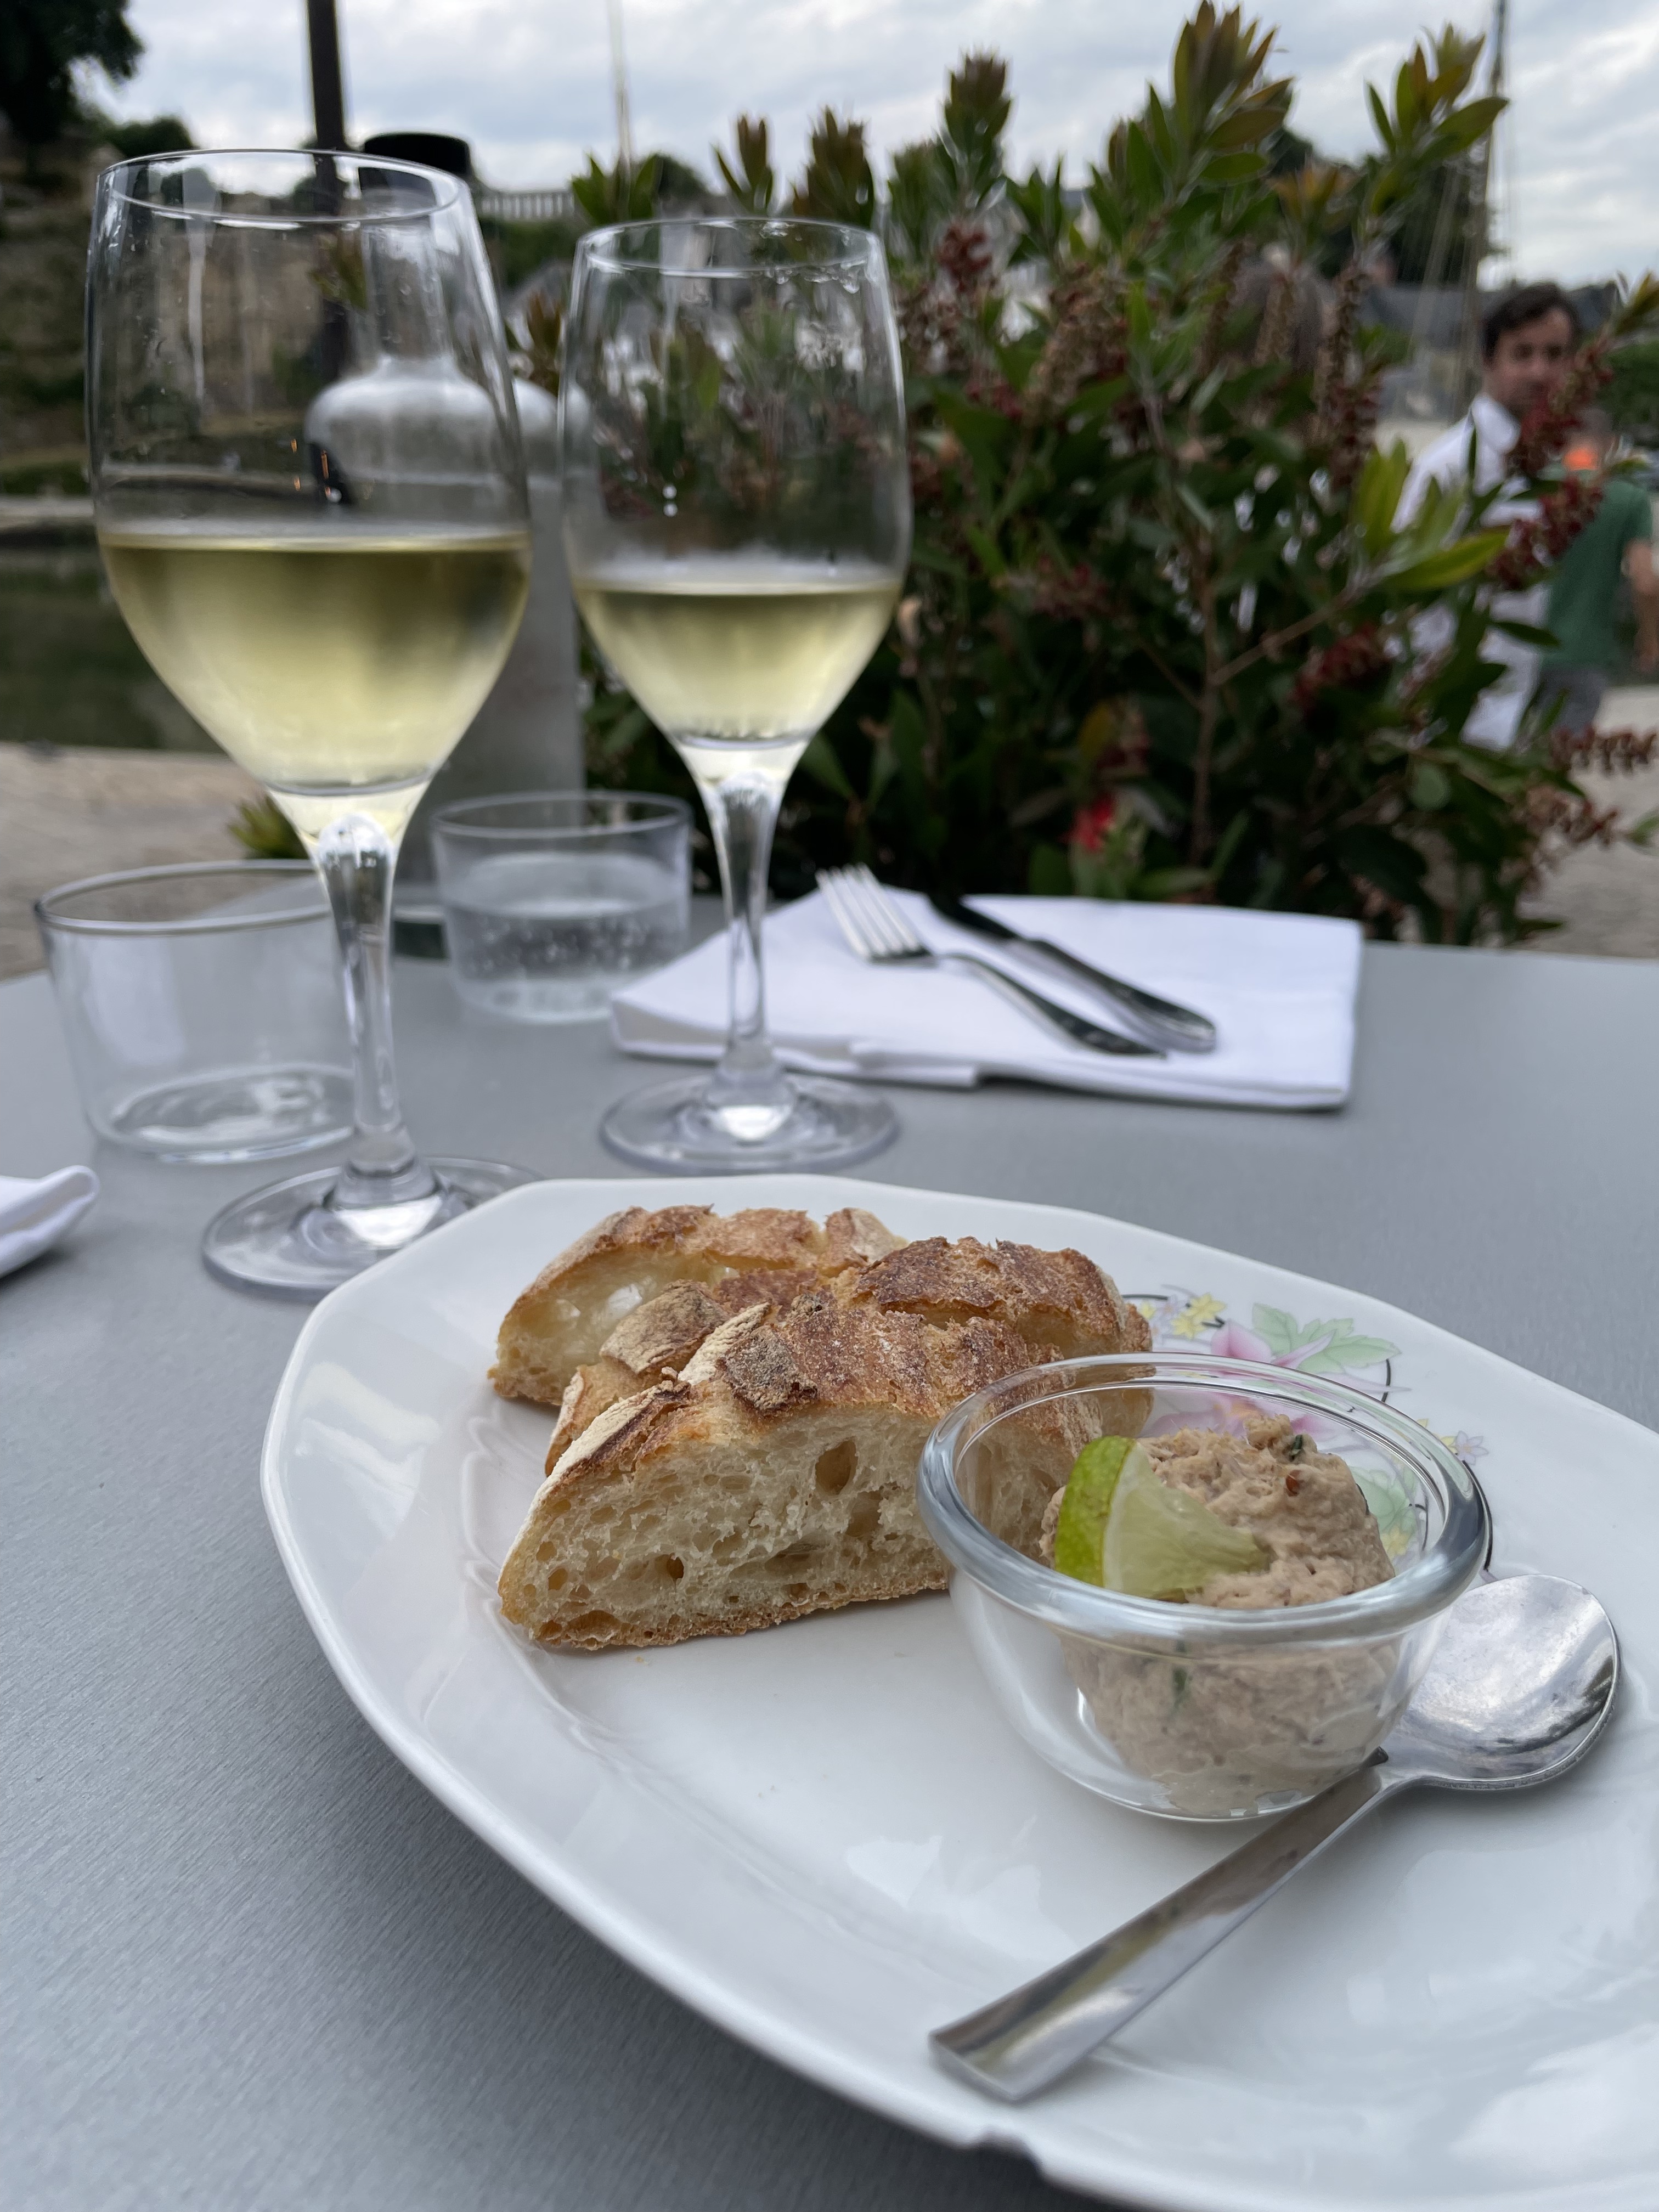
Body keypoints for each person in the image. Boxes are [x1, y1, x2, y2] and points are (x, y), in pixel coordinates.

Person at [1400, 282, 1580, 748]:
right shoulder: (1450, 467)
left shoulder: (1542, 471)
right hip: (1445, 729)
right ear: (1488, 361)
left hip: (1506, 722)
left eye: (1554, 355)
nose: (1539, 372)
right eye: (1522, 354)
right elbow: (1403, 598)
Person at [1532, 407, 1658, 736]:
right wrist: (1649, 639)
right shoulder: (1630, 498)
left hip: (1522, 649)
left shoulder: (1533, 488)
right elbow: (1645, 582)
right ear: (1612, 444)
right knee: (1559, 756)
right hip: (1585, 653)